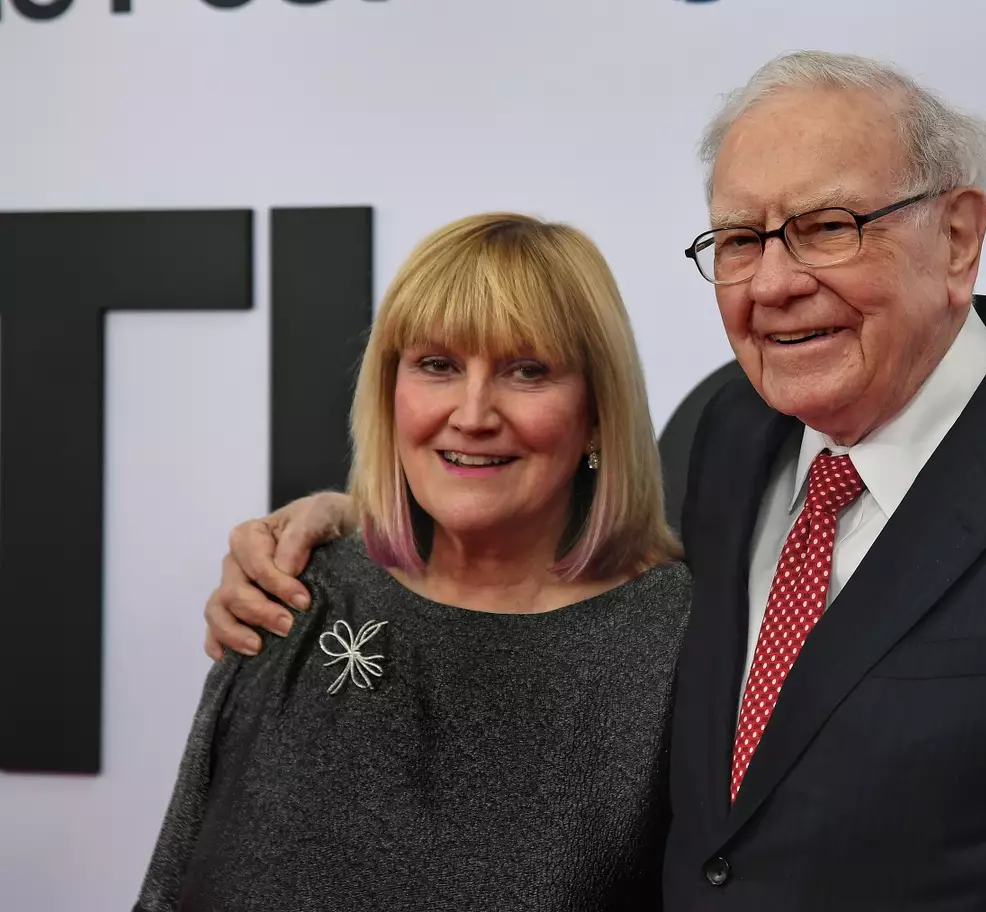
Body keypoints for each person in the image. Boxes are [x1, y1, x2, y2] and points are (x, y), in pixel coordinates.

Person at [199, 52, 986, 911]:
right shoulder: (735, 429)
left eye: (828, 227)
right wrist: (345, 523)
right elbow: (533, 518)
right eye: (738, 239)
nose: (775, 283)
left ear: (958, 235)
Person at [136, 212, 687, 912]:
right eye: (438, 365)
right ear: (390, 392)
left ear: (599, 413)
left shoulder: (680, 644)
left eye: (527, 370)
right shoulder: (297, 591)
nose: (473, 413)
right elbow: (172, 886)